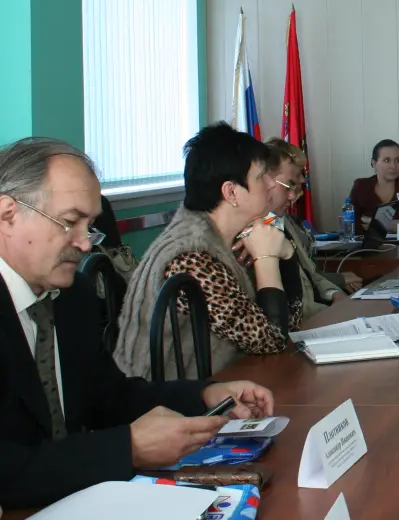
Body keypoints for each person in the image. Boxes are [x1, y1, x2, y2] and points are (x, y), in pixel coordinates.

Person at [0, 137, 274, 508]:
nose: (85, 243)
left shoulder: (72, 295)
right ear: (8, 214)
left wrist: (203, 395)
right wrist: (126, 448)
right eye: (70, 222)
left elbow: (108, 397)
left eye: (90, 225)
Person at [116, 123, 304, 380]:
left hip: (225, 385)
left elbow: (289, 325)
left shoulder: (234, 239)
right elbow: (271, 340)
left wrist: (287, 254)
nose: (272, 184)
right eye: (262, 176)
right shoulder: (193, 258)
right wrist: (266, 258)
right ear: (231, 192)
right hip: (172, 400)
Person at [262, 139, 360, 316]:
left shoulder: (283, 221)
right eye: (290, 183)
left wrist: (334, 293)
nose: (293, 195)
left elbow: (310, 275)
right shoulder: (254, 234)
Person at [349, 139, 399, 233]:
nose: (393, 166)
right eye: (387, 160)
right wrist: (395, 225)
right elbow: (351, 224)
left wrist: (371, 221)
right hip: (367, 242)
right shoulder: (361, 186)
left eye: (398, 160)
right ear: (374, 163)